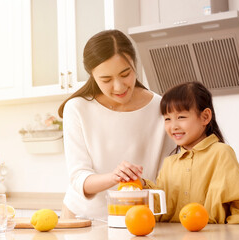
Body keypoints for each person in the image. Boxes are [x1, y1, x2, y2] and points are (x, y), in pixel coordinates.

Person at [58, 29, 174, 220]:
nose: (119, 87)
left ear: (134, 65)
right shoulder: (77, 108)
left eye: (125, 74)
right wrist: (114, 177)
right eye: (106, 80)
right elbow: (79, 178)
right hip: (82, 220)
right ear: (92, 76)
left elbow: (167, 174)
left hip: (138, 221)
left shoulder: (160, 107)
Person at [143, 81, 239, 224]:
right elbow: (160, 210)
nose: (173, 126)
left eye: (181, 117)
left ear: (205, 117)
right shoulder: (169, 163)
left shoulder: (221, 153)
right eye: (167, 119)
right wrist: (142, 185)